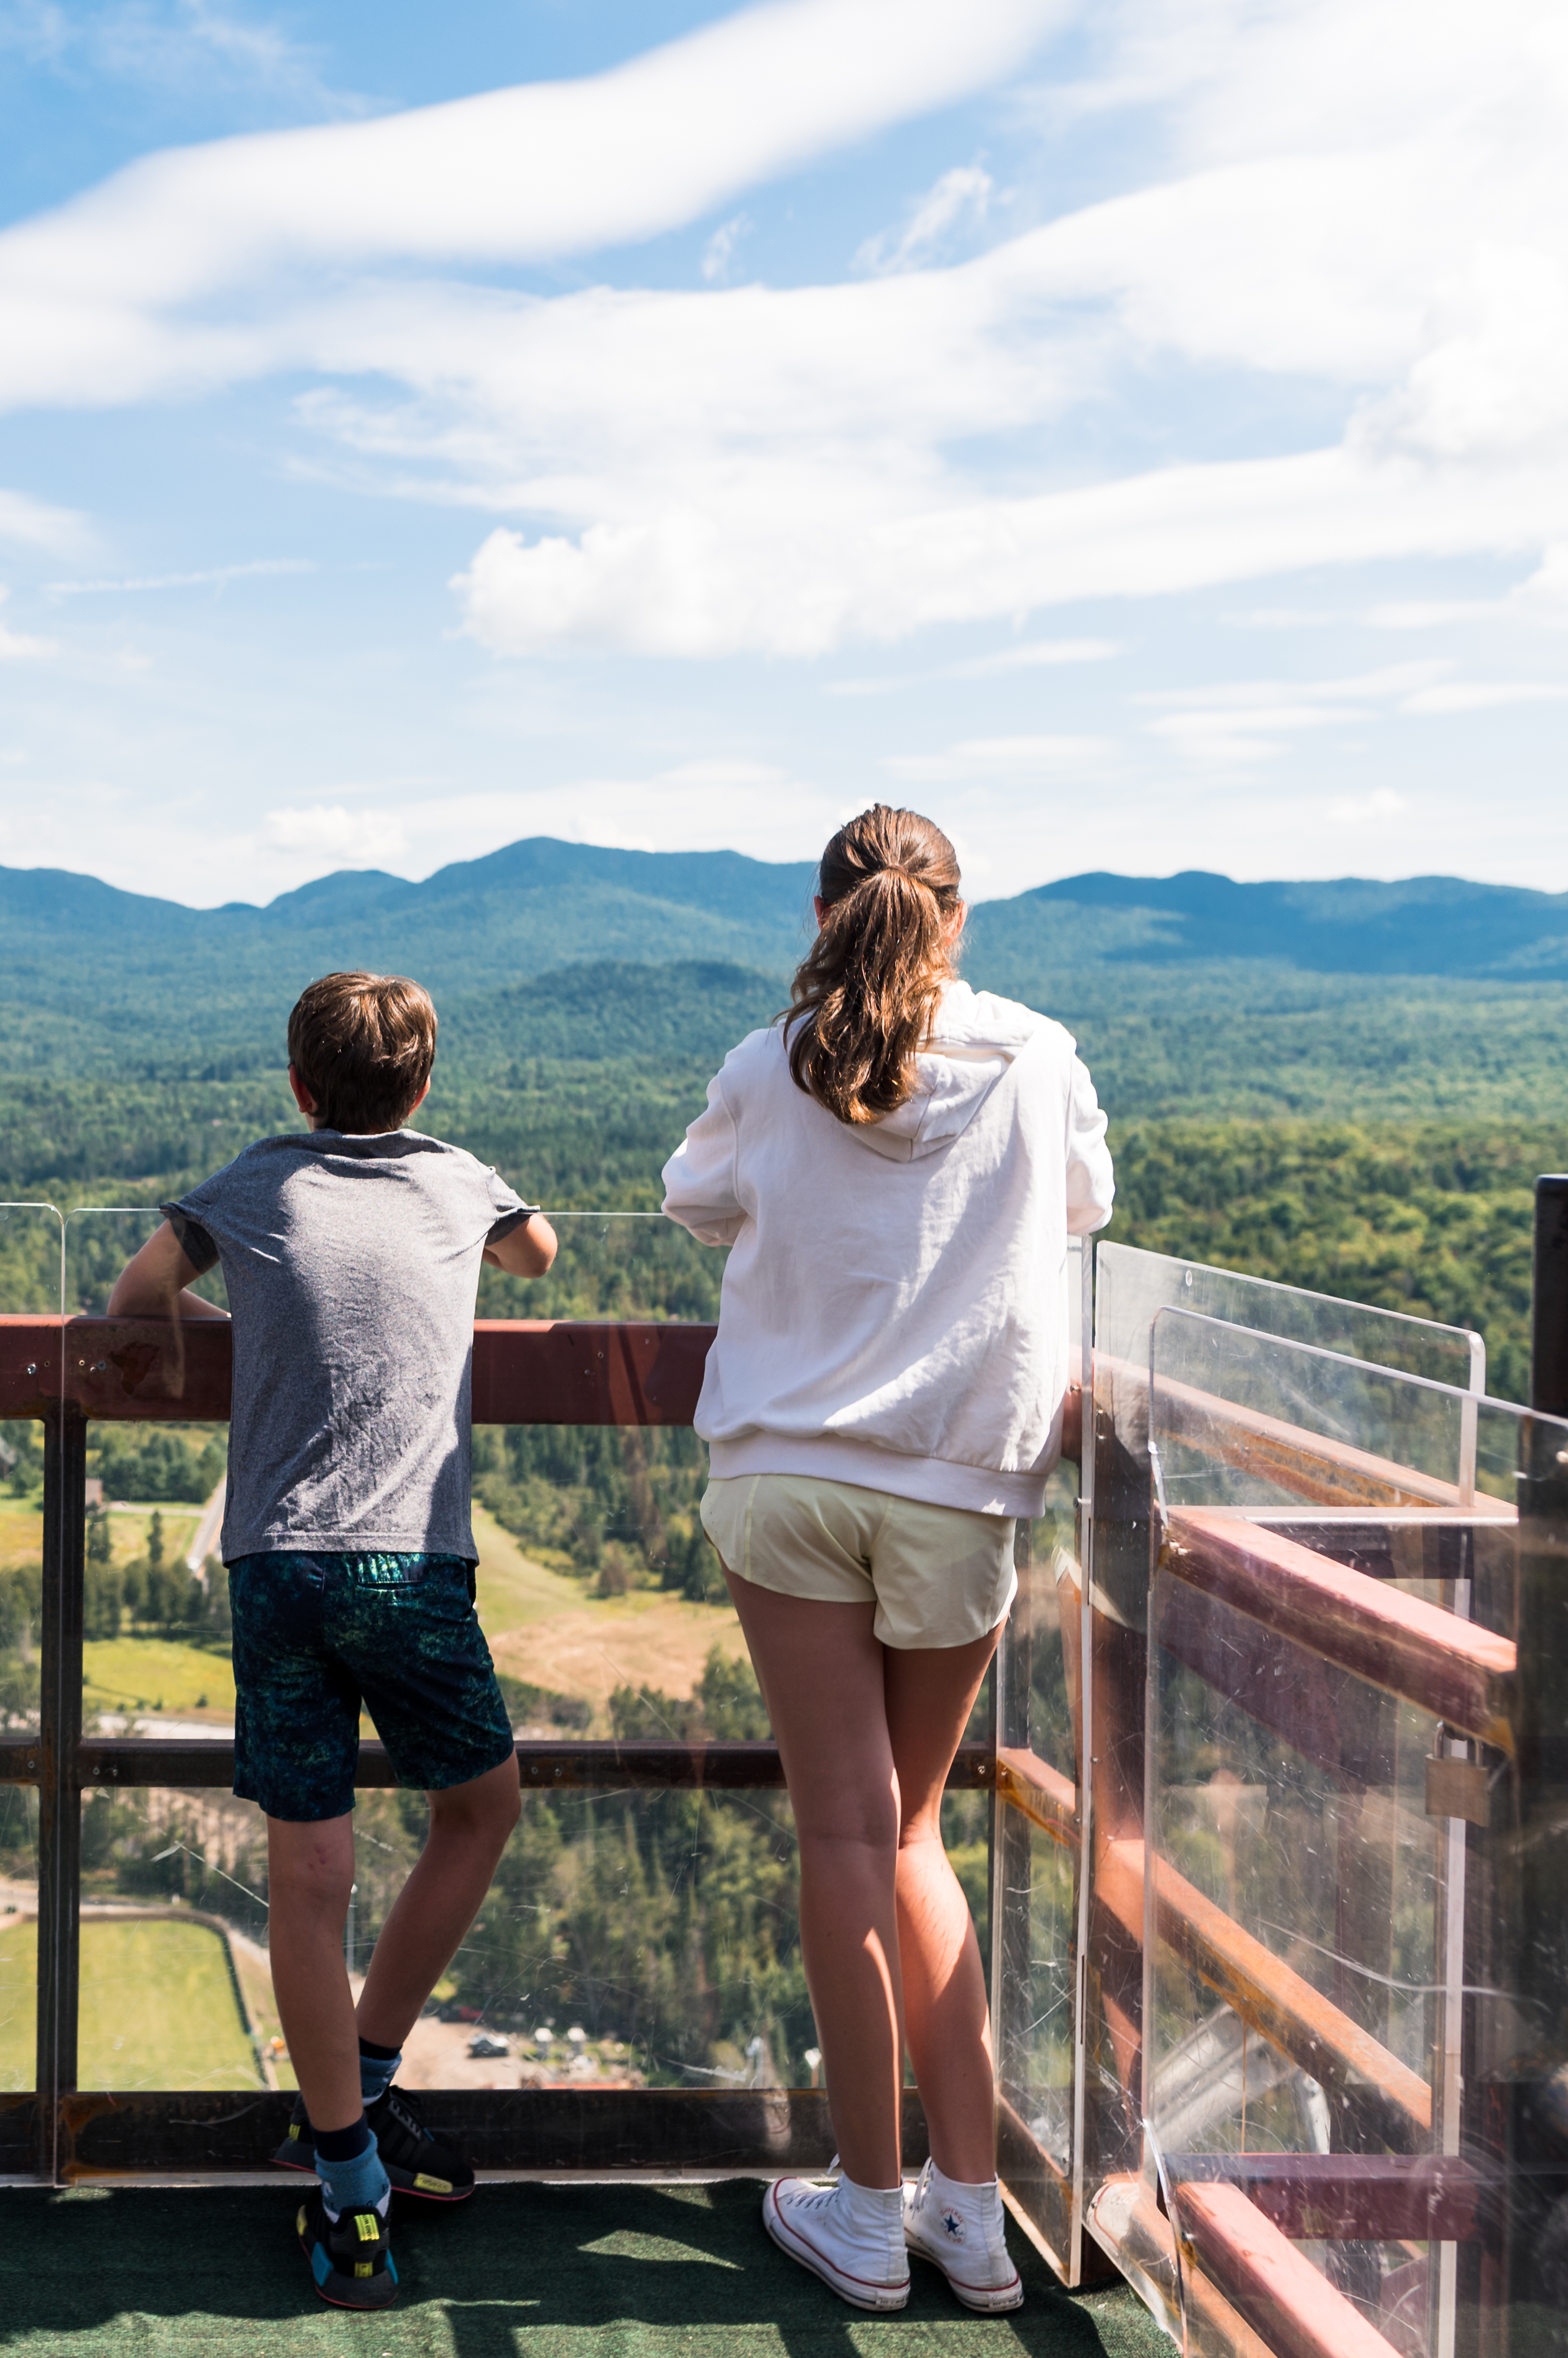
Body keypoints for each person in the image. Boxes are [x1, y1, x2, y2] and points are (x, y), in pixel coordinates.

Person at [661, 806, 1112, 2314]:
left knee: (844, 1839)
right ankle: (970, 2215)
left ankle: (862, 2210)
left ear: (818, 912)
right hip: (964, 1486)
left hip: (790, 1472)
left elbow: (694, 1200)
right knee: (914, 1832)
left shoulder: (766, 1061)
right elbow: (1088, 1209)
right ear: (960, 916)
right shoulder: (1040, 1059)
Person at [110, 970, 558, 2309]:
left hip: (277, 1567)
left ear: (298, 1087)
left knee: (308, 1877)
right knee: (478, 1814)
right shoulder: (454, 1175)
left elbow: (134, 1297)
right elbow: (540, 1258)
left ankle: (350, 2183)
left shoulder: (255, 1181)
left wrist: (249, 1339)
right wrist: (472, 1191)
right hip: (410, 1563)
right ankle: (361, 2078)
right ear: (419, 1089)